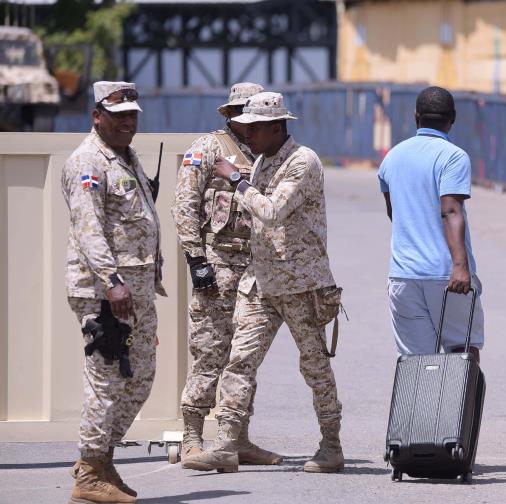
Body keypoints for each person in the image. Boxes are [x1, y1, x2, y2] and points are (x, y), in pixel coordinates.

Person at [184, 91, 345, 474]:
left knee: (314, 367)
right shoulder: (262, 162)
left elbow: (272, 212)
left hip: (301, 284)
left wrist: (237, 180)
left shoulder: (301, 162)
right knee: (239, 362)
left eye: (255, 127)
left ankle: (331, 445)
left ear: (276, 127)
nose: (248, 133)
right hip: (261, 285)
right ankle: (225, 445)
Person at [61, 81, 164, 504]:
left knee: (140, 377)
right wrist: (113, 282)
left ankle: (100, 460)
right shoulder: (88, 161)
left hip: (135, 293)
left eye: (132, 115)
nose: (127, 122)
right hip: (107, 293)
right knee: (105, 381)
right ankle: (88, 472)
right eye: (118, 115)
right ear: (96, 116)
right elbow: (89, 230)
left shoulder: (126, 156)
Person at [171, 82, 282, 468]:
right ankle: (192, 437)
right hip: (217, 264)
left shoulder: (269, 152)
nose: (245, 121)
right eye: (240, 113)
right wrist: (195, 259)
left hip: (256, 268)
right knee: (209, 351)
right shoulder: (208, 148)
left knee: (244, 357)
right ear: (230, 113)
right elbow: (184, 204)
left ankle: (238, 438)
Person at [377, 85, 484, 361]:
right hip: (445, 275)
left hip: (403, 276)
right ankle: (457, 407)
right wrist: (460, 266)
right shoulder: (453, 157)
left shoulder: (391, 158)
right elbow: (450, 209)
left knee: (416, 363)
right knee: (462, 353)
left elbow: (395, 213)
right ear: (453, 118)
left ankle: (420, 407)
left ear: (416, 117)